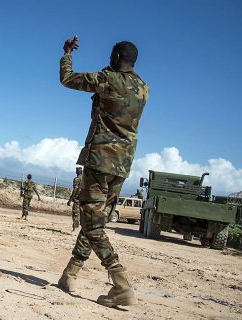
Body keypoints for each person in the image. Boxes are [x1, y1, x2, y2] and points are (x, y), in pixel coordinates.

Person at [57, 37, 149, 307]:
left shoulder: (107, 79)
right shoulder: (144, 88)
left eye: (111, 54)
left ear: (117, 57)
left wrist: (66, 53)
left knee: (92, 224)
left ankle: (121, 283)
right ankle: (70, 274)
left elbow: (67, 78)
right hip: (122, 165)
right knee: (95, 221)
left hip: (100, 160)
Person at [67, 167, 83, 231]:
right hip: (84, 199)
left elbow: (75, 189)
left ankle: (75, 228)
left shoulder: (77, 179)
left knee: (75, 213)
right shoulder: (86, 178)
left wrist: (71, 199)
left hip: (77, 199)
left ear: (77, 172)